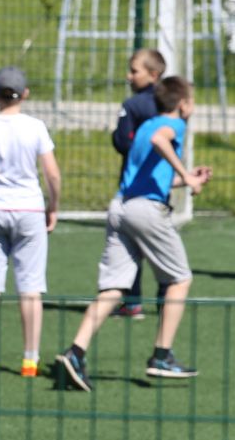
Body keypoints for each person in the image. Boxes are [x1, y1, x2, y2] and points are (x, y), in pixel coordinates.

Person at [56, 76, 212, 389]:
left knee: (114, 288)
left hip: (121, 206)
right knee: (180, 278)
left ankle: (75, 352)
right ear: (183, 104)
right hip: (145, 211)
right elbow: (161, 141)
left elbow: (150, 173)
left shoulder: (144, 125)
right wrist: (187, 175)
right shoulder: (174, 125)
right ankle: (162, 356)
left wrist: (185, 179)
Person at [0, 66, 60, 377]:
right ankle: (30, 359)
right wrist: (53, 206)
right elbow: (52, 173)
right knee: (31, 287)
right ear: (26, 94)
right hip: (29, 209)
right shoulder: (35, 127)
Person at [108, 49, 165, 321]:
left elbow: (122, 142)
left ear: (152, 74)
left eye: (134, 71)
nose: (128, 76)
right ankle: (167, 296)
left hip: (132, 184)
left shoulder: (133, 105)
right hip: (161, 182)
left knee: (130, 242)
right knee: (160, 240)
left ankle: (132, 301)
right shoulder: (169, 104)